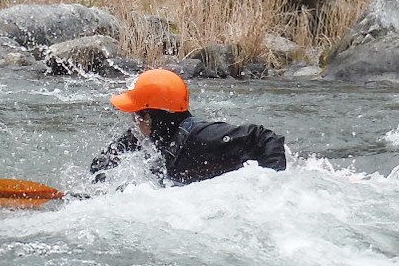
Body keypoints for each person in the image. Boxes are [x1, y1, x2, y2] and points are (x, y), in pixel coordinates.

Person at [90, 68, 287, 186]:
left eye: (135, 115)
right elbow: (101, 165)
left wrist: (271, 191)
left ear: (149, 118)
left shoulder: (203, 136)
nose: (133, 122)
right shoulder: (151, 137)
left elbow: (265, 138)